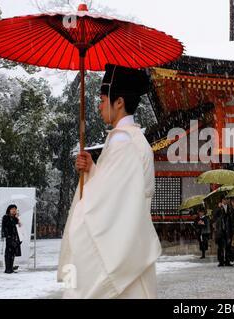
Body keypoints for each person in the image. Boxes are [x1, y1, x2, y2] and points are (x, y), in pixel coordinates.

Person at [57, 64, 162, 299]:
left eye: (103, 99)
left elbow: (107, 204)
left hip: (122, 249)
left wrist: (91, 179)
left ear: (119, 102)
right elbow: (117, 192)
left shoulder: (124, 142)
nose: (99, 105)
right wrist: (92, 170)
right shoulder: (132, 140)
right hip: (132, 243)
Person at [212, 197, 234, 266]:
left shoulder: (230, 208)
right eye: (224, 199)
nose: (226, 201)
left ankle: (227, 261)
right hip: (220, 230)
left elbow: (233, 220)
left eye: (227, 199)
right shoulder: (218, 208)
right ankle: (221, 261)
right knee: (220, 247)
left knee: (228, 246)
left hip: (228, 230)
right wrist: (218, 208)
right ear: (222, 200)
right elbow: (214, 217)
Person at [1, 205, 22, 274]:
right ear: (9, 210)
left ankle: (11, 268)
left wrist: (17, 219)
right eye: (12, 209)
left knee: (13, 252)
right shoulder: (6, 217)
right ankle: (7, 269)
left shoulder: (15, 218)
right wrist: (8, 236)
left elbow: (19, 227)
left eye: (15, 209)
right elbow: (5, 227)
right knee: (8, 253)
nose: (14, 210)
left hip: (15, 237)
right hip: (9, 237)